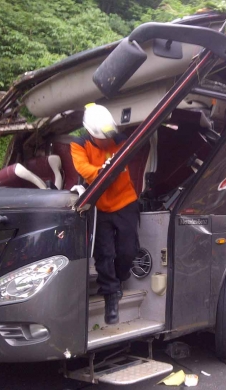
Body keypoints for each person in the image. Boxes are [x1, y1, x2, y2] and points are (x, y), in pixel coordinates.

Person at [71, 103, 139, 325]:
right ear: (91, 133)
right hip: (100, 206)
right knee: (104, 253)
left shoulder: (119, 139)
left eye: (111, 135)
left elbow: (128, 152)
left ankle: (119, 279)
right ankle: (110, 295)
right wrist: (102, 171)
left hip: (126, 201)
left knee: (128, 250)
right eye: (103, 138)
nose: (109, 141)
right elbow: (84, 169)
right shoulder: (79, 145)